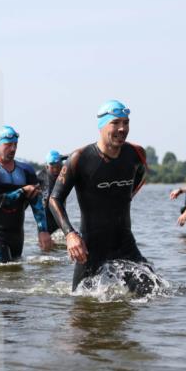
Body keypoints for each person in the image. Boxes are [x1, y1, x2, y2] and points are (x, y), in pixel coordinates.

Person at [48, 100, 150, 291]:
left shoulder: (136, 154)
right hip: (92, 248)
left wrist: (121, 196)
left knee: (154, 294)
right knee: (81, 306)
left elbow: (139, 179)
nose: (122, 128)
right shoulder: (79, 158)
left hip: (125, 244)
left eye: (126, 122)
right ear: (102, 126)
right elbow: (54, 199)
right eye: (116, 123)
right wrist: (70, 235)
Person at [0, 125, 52, 262]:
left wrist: (43, 230)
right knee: (2, 270)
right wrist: (23, 191)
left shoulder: (26, 170)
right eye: (8, 145)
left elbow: (37, 203)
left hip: (17, 232)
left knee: (15, 272)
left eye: (15, 144)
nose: (13, 149)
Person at [37, 150, 66, 235]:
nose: (56, 170)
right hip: (46, 223)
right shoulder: (42, 178)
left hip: (59, 219)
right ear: (46, 166)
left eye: (58, 166)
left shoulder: (63, 174)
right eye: (52, 167)